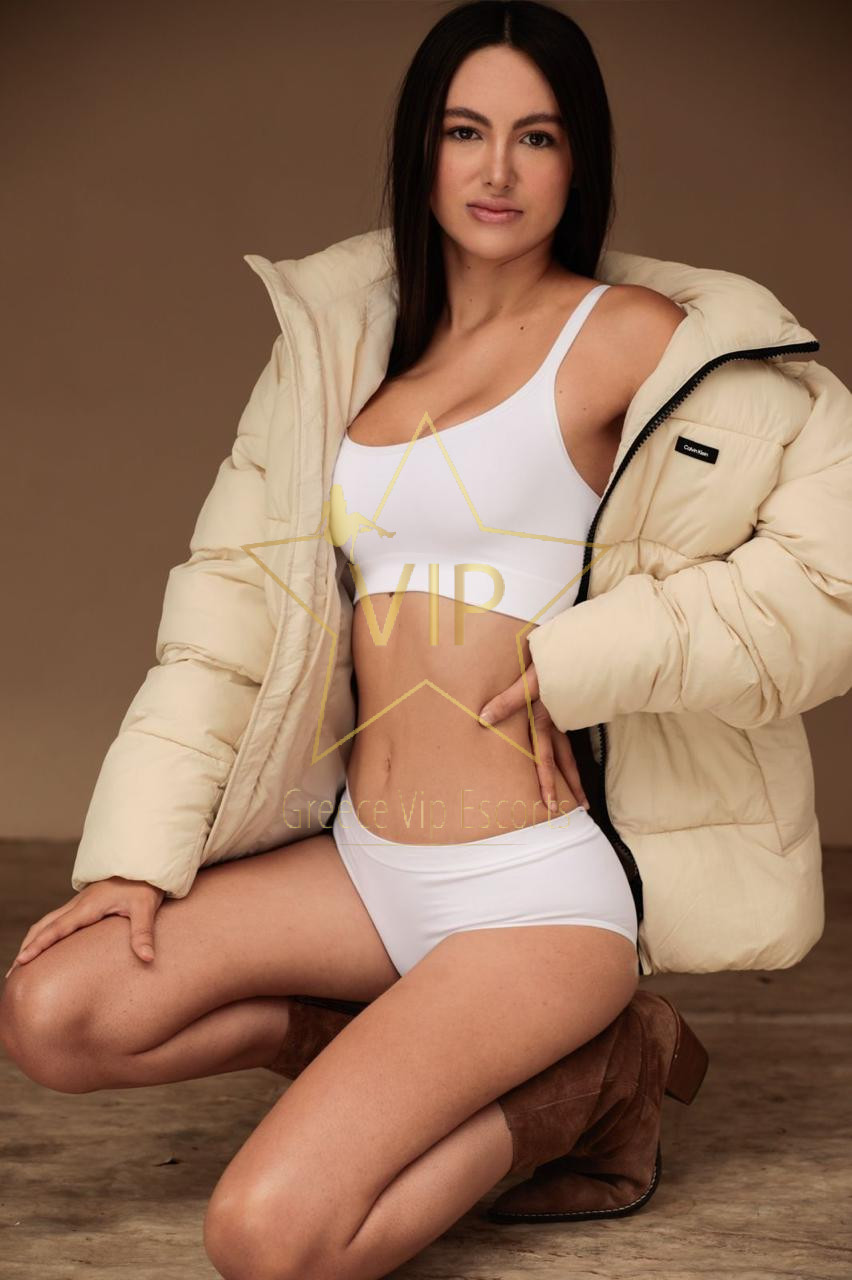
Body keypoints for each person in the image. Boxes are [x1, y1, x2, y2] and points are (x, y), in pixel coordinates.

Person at [3, 1, 851, 1273]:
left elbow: (830, 579)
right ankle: (463, 1048)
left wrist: (583, 657)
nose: (498, 169)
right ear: (423, 148)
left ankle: (592, 1078)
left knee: (267, 1236)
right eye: (466, 131)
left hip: (536, 892)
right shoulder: (345, 356)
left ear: (580, 158)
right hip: (364, 866)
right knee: (54, 1010)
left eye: (537, 135)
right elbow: (226, 613)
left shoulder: (638, 338)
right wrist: (134, 857)